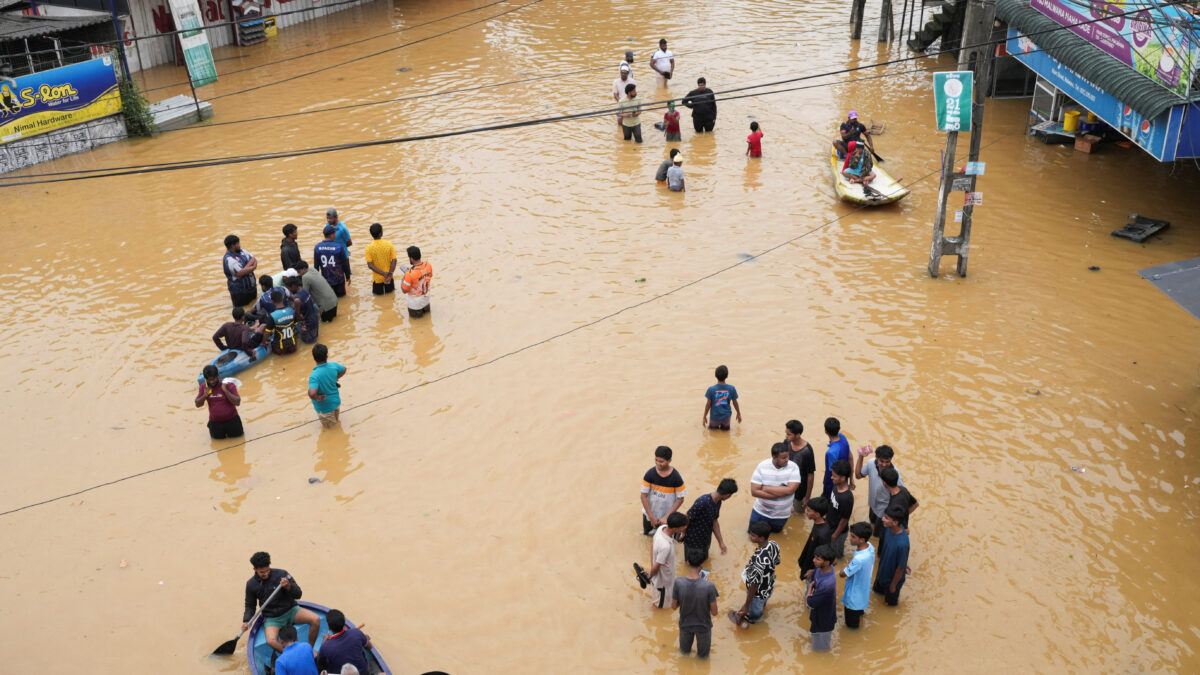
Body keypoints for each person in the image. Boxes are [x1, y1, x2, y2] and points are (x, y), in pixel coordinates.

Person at [241, 551, 320, 653]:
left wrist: (288, 586)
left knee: (316, 619)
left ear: (269, 566)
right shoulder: (251, 584)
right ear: (255, 569)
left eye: (267, 570)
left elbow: (298, 594)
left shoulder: (282, 574)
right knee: (271, 641)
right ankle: (291, 655)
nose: (265, 574)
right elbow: (250, 606)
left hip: (291, 610)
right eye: (262, 572)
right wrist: (247, 620)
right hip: (272, 617)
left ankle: (309, 649)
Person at [730, 521, 779, 628]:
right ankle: (761, 608)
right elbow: (776, 562)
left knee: (755, 613)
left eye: (753, 535)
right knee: (763, 602)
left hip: (757, 594)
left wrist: (747, 605)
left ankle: (755, 621)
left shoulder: (759, 560)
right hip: (769, 585)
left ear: (761, 538)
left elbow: (754, 585)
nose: (750, 537)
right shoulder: (773, 545)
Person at [671, 547, 718, 658]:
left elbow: (673, 606)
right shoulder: (709, 586)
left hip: (685, 625)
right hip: (703, 626)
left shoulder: (678, 582)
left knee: (684, 654)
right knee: (703, 657)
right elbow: (714, 612)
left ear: (687, 562)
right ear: (702, 563)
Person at [748, 443, 801, 532]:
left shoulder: (793, 467)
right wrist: (780, 493)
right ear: (774, 457)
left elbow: (791, 490)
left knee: (775, 537)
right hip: (760, 512)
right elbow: (754, 492)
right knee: (753, 536)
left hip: (781, 515)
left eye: (788, 457)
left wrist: (765, 488)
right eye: (783, 458)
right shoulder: (762, 466)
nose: (787, 460)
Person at [682, 479, 736, 563]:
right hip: (692, 540)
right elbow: (687, 517)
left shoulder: (718, 502)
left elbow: (714, 521)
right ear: (727, 495)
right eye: (730, 495)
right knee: (691, 564)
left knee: (703, 562)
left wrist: (721, 543)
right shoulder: (702, 501)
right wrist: (683, 533)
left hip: (705, 539)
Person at [855, 443, 904, 530]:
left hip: (885, 513)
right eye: (882, 461)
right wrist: (861, 456)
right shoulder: (871, 464)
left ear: (891, 460)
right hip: (873, 506)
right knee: (872, 526)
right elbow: (858, 475)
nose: (884, 465)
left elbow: (901, 498)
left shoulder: (896, 476)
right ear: (876, 457)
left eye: (887, 462)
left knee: (878, 535)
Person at [640, 445, 686, 535]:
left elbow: (680, 499)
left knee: (668, 537)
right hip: (649, 515)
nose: (658, 463)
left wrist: (666, 517)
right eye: (656, 460)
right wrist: (651, 517)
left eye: (661, 461)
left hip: (667, 518)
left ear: (669, 461)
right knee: (647, 535)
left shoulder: (676, 477)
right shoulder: (649, 474)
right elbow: (643, 496)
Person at [647, 512, 689, 609]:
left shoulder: (661, 529)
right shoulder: (665, 546)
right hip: (663, 584)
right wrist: (651, 574)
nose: (685, 528)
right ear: (675, 529)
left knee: (660, 600)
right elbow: (657, 566)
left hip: (661, 579)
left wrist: (651, 570)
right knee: (660, 607)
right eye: (683, 527)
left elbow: (652, 546)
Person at [840, 522, 875, 628]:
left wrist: (845, 566)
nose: (850, 538)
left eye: (853, 537)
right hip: (863, 594)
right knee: (859, 616)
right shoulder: (870, 547)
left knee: (851, 627)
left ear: (862, 540)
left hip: (853, 597)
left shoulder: (858, 560)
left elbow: (842, 574)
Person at [873, 505, 910, 606]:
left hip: (891, 581)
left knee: (890, 605)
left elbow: (900, 569)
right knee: (876, 593)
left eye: (886, 518)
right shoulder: (888, 528)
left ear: (895, 522)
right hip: (881, 573)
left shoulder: (902, 544)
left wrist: (893, 586)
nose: (883, 519)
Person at [316, 608, 372, 675]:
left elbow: (320, 664)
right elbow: (369, 647)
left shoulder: (326, 646)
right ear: (344, 622)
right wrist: (364, 638)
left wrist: (323, 643)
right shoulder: (356, 632)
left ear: (329, 627)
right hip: (363, 672)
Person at [196, 364, 243, 439]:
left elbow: (238, 402)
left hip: (232, 421)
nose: (212, 382)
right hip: (215, 424)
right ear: (205, 379)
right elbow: (197, 404)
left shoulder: (228, 384)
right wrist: (204, 396)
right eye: (209, 380)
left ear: (218, 376)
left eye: (214, 379)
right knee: (218, 446)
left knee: (239, 442)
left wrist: (225, 391)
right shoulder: (204, 387)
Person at [806, 544, 838, 652]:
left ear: (827, 562)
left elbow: (810, 603)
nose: (814, 560)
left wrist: (809, 589)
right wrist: (812, 572)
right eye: (815, 557)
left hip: (824, 620)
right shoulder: (823, 569)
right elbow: (815, 575)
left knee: (821, 650)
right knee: (816, 639)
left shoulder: (827, 585)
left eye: (818, 559)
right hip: (818, 614)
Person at [878, 466, 919, 549]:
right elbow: (916, 504)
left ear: (884, 483)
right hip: (900, 527)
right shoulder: (903, 490)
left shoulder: (894, 504)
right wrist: (904, 516)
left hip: (892, 532)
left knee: (884, 551)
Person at [308, 343, 347, 428]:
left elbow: (311, 393)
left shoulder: (314, 376)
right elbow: (344, 369)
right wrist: (336, 378)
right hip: (336, 403)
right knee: (336, 423)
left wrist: (317, 398)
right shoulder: (334, 366)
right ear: (326, 356)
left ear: (314, 358)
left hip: (325, 409)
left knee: (332, 432)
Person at [796, 496, 831, 580]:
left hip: (813, 569)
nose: (806, 512)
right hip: (809, 561)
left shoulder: (823, 535)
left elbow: (825, 557)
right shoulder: (819, 523)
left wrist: (814, 571)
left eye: (808, 510)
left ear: (817, 514)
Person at [785, 420, 816, 514]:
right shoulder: (786, 443)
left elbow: (810, 475)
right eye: (786, 433)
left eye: (789, 434)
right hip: (786, 486)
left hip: (800, 491)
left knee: (799, 513)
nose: (786, 436)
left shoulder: (807, 451)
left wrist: (807, 497)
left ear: (798, 435)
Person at [314, 225, 351, 297]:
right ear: (332, 234)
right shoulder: (338, 247)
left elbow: (316, 266)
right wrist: (348, 277)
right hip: (339, 280)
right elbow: (345, 263)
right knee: (341, 299)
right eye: (334, 233)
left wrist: (316, 281)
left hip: (326, 280)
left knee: (329, 300)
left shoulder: (317, 247)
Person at [827, 459, 855, 557]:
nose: (831, 477)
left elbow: (844, 520)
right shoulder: (836, 487)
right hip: (830, 526)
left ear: (843, 478)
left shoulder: (847, 498)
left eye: (834, 476)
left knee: (836, 556)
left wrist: (835, 535)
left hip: (838, 532)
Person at [822, 417, 853, 498]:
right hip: (844, 479)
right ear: (838, 429)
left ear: (826, 431)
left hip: (833, 483)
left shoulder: (830, 453)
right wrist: (852, 479)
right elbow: (850, 457)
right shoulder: (843, 437)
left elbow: (831, 473)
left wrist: (825, 483)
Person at [223, 234, 258, 307]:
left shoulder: (242, 251)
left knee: (254, 306)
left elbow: (253, 259)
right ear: (233, 246)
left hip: (251, 288)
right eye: (238, 243)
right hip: (239, 292)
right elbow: (240, 273)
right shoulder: (229, 259)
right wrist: (253, 266)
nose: (239, 245)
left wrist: (245, 269)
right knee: (242, 312)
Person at [262, 290, 299, 356]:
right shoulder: (292, 311)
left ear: (272, 301)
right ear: (282, 298)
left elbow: (267, 333)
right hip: (293, 347)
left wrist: (263, 343)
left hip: (280, 349)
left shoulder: (272, 316)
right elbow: (295, 325)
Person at [702, 365, 740, 430]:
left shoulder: (711, 389)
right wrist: (738, 413)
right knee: (726, 434)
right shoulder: (732, 388)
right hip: (726, 417)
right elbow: (735, 403)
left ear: (715, 375)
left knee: (713, 434)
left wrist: (704, 416)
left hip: (715, 417)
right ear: (727, 376)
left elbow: (708, 405)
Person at [284, 276, 319, 344]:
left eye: (289, 288)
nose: (289, 290)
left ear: (293, 286)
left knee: (307, 343)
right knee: (314, 338)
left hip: (307, 323)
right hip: (314, 318)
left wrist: (301, 323)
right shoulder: (304, 290)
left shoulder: (297, 300)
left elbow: (298, 316)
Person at [364, 223, 397, 295]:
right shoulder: (389, 244)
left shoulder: (369, 248)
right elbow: (394, 260)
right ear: (381, 233)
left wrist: (383, 274)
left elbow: (370, 265)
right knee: (391, 298)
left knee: (377, 300)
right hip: (389, 278)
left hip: (377, 280)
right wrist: (390, 274)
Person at [400, 245, 434, 317]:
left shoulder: (409, 274)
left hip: (415, 306)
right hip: (426, 302)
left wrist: (404, 276)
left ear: (411, 258)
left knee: (416, 325)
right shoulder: (428, 265)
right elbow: (427, 276)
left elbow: (404, 290)